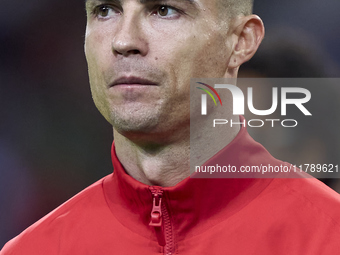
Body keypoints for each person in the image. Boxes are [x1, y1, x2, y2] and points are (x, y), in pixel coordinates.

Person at [1, 0, 340, 254]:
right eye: (106, 10)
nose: (124, 40)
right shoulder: (34, 250)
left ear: (240, 41)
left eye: (164, 10)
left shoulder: (328, 235)